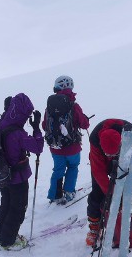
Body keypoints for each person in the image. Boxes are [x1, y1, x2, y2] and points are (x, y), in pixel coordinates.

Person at [84, 118, 132, 247]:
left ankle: (127, 223)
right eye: (108, 154)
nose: (111, 157)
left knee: (128, 193)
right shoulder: (95, 139)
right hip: (101, 162)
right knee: (97, 193)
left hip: (126, 160)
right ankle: (94, 227)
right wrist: (112, 193)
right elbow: (98, 172)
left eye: (113, 154)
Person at [0, 93, 44, 251]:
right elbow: (38, 148)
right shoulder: (17, 133)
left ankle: (0, 235)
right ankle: (8, 241)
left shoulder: (0, 123)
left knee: (6, 204)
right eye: (27, 115)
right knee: (18, 208)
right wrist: (36, 128)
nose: (27, 118)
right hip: (17, 177)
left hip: (2, 174)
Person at [42, 75, 90, 205]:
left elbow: (44, 125)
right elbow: (84, 124)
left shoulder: (50, 106)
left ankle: (55, 195)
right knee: (73, 167)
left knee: (58, 169)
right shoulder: (73, 105)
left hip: (55, 147)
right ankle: (69, 192)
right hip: (72, 146)